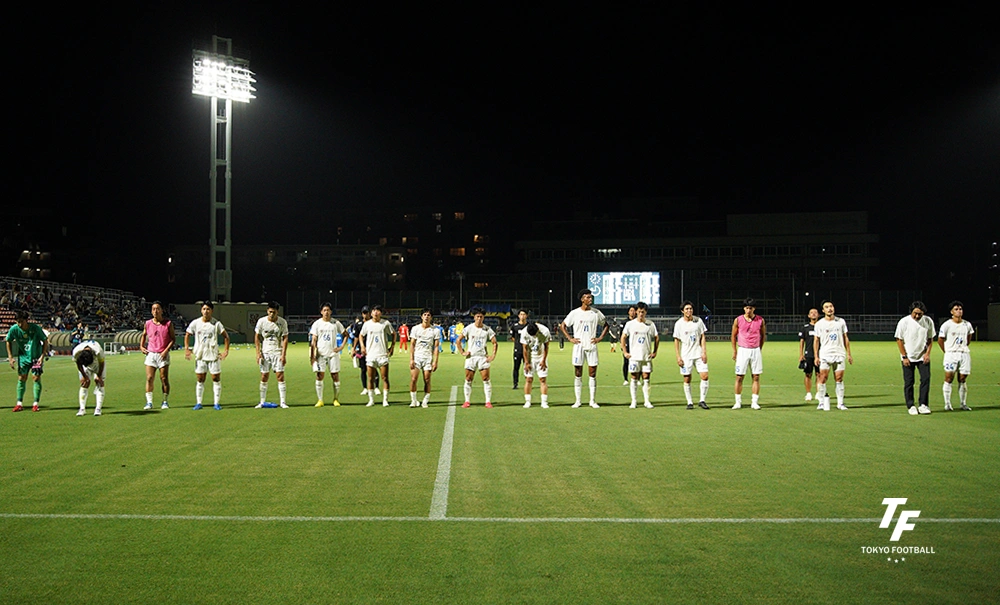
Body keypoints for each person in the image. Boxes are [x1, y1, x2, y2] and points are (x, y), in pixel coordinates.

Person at [560, 288, 609, 408]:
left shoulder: (596, 313)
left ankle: (592, 400)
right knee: (578, 372)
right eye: (588, 297)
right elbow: (563, 325)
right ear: (582, 299)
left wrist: (600, 338)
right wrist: (570, 338)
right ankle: (578, 400)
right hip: (579, 346)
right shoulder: (575, 313)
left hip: (592, 345)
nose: (590, 299)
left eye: (591, 297)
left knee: (592, 373)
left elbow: (606, 325)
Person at [184, 302, 229, 410]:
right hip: (200, 356)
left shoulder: (216, 324)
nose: (206, 311)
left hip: (213, 356)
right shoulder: (195, 323)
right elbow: (187, 334)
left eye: (208, 309)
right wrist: (187, 348)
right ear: (201, 310)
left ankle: (216, 403)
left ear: (212, 311)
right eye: (204, 309)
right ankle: (199, 403)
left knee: (216, 378)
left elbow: (226, 336)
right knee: (200, 379)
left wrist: (226, 351)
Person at [894, 301, 935, 415]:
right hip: (908, 357)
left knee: (925, 380)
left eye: (920, 314)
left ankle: (923, 404)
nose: (917, 316)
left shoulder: (928, 321)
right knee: (909, 382)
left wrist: (927, 354)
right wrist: (904, 356)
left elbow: (930, 339)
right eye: (915, 313)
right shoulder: (904, 322)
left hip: (922, 356)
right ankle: (911, 405)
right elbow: (899, 339)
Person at [813, 300, 853, 411]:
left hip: (839, 353)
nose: (829, 308)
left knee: (839, 378)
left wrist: (849, 353)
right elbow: (816, 340)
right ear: (823, 310)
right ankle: (821, 402)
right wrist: (816, 356)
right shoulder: (819, 324)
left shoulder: (840, 322)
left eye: (831, 306)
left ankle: (840, 403)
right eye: (827, 307)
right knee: (823, 378)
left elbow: (846, 338)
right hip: (825, 354)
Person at [5, 309, 48, 412]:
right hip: (23, 358)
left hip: (35, 358)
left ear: (26, 320)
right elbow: (8, 341)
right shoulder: (14, 329)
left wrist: (42, 356)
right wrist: (10, 357)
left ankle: (35, 403)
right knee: (21, 378)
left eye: (21, 321)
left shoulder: (36, 328)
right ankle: (19, 403)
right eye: (17, 321)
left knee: (36, 378)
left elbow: (45, 341)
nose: (19, 324)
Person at [673, 300, 710, 410]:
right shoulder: (679, 324)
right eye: (687, 309)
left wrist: (704, 351)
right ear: (682, 311)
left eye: (690, 309)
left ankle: (702, 400)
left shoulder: (698, 321)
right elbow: (676, 340)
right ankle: (689, 402)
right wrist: (678, 356)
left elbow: (702, 336)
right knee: (687, 378)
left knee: (705, 376)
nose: (689, 311)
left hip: (698, 353)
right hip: (686, 355)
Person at [938, 300, 974, 411]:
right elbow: (940, 340)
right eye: (956, 309)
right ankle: (947, 403)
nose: (959, 311)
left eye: (960, 309)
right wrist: (947, 351)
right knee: (949, 378)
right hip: (951, 354)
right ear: (951, 312)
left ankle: (963, 403)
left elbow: (969, 337)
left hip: (964, 354)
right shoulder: (947, 325)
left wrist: (963, 347)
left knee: (962, 378)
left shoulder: (967, 324)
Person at [622, 301, 658, 408]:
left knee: (646, 378)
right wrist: (625, 352)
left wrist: (655, 351)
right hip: (634, 357)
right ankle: (634, 401)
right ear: (636, 312)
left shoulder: (650, 324)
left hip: (646, 357)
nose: (641, 314)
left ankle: (647, 401)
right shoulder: (630, 324)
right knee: (634, 377)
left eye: (643, 312)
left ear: (646, 312)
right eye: (639, 312)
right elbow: (623, 337)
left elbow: (656, 337)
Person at [459, 308, 498, 408]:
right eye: (477, 316)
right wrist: (462, 352)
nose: (479, 318)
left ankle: (488, 401)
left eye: (481, 317)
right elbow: (458, 340)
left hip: (482, 357)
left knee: (486, 379)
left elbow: (495, 343)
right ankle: (467, 401)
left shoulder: (487, 329)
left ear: (483, 317)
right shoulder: (469, 328)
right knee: (468, 379)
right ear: (474, 317)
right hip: (471, 357)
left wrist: (493, 355)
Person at [731, 297, 766, 410]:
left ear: (754, 309)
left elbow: (763, 335)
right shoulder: (738, 320)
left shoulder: (760, 320)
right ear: (744, 308)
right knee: (739, 377)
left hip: (755, 350)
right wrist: (735, 351)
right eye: (746, 308)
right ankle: (737, 402)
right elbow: (733, 335)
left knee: (756, 376)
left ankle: (754, 402)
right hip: (743, 350)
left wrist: (759, 348)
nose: (748, 310)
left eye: (750, 308)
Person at [139, 301, 175, 410]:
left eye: (158, 309)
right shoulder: (148, 323)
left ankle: (165, 401)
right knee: (149, 378)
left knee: (163, 378)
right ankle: (149, 402)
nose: (155, 311)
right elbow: (144, 335)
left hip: (162, 354)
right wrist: (141, 346)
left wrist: (166, 351)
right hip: (151, 353)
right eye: (153, 309)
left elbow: (173, 339)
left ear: (162, 310)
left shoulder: (168, 323)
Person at [310, 302, 346, 407]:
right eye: (324, 310)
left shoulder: (336, 323)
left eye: (328, 310)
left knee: (335, 376)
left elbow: (345, 334)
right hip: (321, 354)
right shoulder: (317, 324)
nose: (326, 312)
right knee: (319, 375)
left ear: (331, 311)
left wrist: (341, 347)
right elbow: (314, 340)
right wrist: (313, 356)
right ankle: (320, 400)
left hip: (333, 354)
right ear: (321, 312)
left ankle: (336, 399)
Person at [254, 301, 290, 409]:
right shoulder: (261, 321)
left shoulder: (282, 322)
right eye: (270, 312)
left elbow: (285, 338)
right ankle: (262, 401)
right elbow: (257, 337)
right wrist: (258, 353)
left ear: (277, 312)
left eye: (274, 312)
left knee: (280, 376)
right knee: (264, 376)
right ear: (267, 311)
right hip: (265, 353)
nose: (271, 314)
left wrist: (283, 355)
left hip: (277, 352)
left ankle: (283, 402)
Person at [360, 304, 394, 406]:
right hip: (370, 355)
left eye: (378, 311)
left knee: (385, 377)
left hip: (382, 354)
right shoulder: (367, 324)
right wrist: (362, 346)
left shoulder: (385, 323)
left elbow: (393, 333)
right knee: (370, 378)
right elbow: (361, 335)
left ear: (381, 313)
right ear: (371, 313)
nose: (376, 312)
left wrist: (392, 347)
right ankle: (371, 400)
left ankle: (385, 400)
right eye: (374, 311)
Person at [409, 308, 440, 407]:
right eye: (425, 315)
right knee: (414, 378)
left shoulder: (435, 330)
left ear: (431, 317)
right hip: (417, 357)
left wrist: (435, 361)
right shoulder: (415, 329)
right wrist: (411, 359)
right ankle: (413, 400)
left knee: (427, 379)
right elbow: (412, 344)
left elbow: (436, 347)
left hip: (428, 358)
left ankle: (425, 400)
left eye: (428, 315)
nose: (426, 317)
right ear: (421, 316)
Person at [521, 320, 551, 408]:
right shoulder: (524, 332)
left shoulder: (545, 331)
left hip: (541, 357)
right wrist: (526, 362)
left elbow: (546, 347)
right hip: (530, 358)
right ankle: (527, 401)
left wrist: (544, 360)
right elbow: (525, 349)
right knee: (528, 379)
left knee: (543, 379)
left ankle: (544, 402)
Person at [350, 307, 379, 396]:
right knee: (363, 369)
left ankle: (376, 387)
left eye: (367, 313)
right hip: (362, 350)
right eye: (364, 313)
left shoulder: (374, 323)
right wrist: (353, 349)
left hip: (372, 349)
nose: (365, 315)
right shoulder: (358, 324)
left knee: (374, 368)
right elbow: (356, 337)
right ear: (362, 314)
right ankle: (365, 388)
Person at [73, 340, 106, 416]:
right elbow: (78, 363)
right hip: (85, 365)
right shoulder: (76, 352)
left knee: (100, 383)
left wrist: (99, 375)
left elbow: (102, 363)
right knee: (84, 383)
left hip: (97, 364)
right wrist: (84, 376)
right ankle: (82, 409)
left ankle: (98, 409)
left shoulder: (98, 351)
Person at [609, 305, 636, 386]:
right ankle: (626, 379)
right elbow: (621, 334)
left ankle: (636, 379)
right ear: (628, 312)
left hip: (636, 345)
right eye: (631, 310)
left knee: (636, 362)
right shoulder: (624, 322)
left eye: (634, 310)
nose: (633, 312)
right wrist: (622, 343)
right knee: (626, 362)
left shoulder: (638, 322)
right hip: (626, 344)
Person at [798, 308, 820, 405]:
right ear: (809, 316)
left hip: (820, 354)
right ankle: (808, 393)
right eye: (811, 313)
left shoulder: (822, 326)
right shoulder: (805, 328)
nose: (814, 314)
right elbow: (802, 341)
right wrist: (801, 354)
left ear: (818, 315)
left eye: (815, 312)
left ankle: (819, 393)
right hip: (809, 354)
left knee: (819, 374)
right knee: (808, 374)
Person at [509, 309, 529, 389]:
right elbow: (513, 337)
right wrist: (518, 344)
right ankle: (515, 383)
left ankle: (528, 382)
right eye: (521, 314)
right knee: (516, 367)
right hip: (518, 350)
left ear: (526, 316)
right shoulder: (515, 326)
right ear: (518, 316)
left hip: (527, 350)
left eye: (524, 314)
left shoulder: (529, 326)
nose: (522, 316)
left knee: (527, 366)